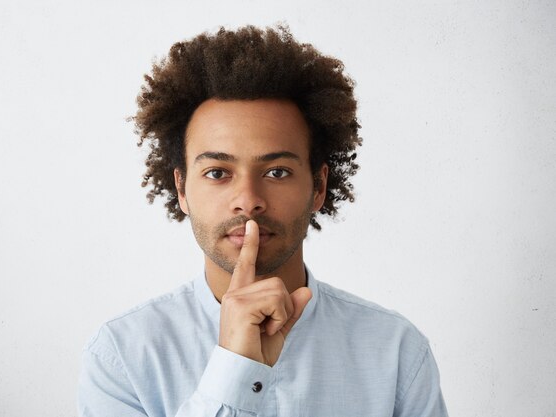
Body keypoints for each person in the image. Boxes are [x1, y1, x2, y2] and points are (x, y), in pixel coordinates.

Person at [77, 25, 448, 417]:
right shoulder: (121, 356)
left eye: (277, 172)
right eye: (218, 172)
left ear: (318, 187)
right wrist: (234, 367)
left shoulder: (397, 352)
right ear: (182, 189)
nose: (249, 202)